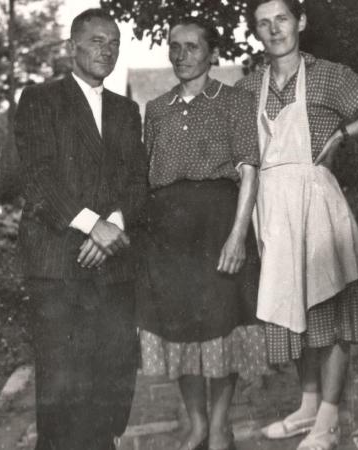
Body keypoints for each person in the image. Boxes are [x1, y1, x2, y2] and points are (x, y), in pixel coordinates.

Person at [237, 1, 358, 449]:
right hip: (271, 212)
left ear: (301, 22)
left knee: (327, 313)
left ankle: (329, 423)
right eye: (263, 23)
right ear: (256, 31)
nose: (274, 30)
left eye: (282, 19)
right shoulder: (249, 86)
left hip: (316, 205)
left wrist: (346, 134)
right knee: (291, 313)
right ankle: (308, 407)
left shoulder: (330, 76)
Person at [14, 9, 147, 450]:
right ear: (72, 47)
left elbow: (138, 181)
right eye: (96, 40)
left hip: (112, 265)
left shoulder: (127, 110)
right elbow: (38, 178)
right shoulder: (40, 99)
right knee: (62, 388)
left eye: (114, 42)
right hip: (58, 264)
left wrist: (114, 229)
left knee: (112, 379)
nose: (106, 50)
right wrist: (93, 226)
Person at [138, 17, 269, 450]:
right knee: (180, 328)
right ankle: (195, 423)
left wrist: (237, 236)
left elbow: (249, 171)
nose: (181, 55)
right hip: (167, 236)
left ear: (212, 54)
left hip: (218, 228)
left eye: (192, 47)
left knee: (221, 324)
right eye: (174, 46)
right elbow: (146, 178)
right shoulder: (156, 108)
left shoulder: (234, 101)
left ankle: (218, 426)